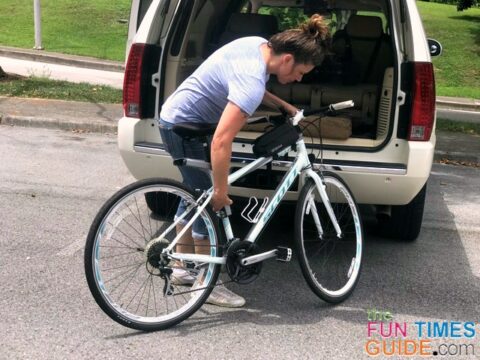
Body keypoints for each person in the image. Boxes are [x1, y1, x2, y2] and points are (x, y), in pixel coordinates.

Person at [159, 14, 331, 308]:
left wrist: (284, 105)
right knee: (210, 206)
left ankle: (180, 269)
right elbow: (222, 142)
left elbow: (248, 83)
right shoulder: (251, 83)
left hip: (176, 118)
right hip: (184, 126)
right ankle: (206, 284)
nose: (300, 79)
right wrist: (221, 192)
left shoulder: (257, 45)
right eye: (302, 72)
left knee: (193, 196)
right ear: (287, 60)